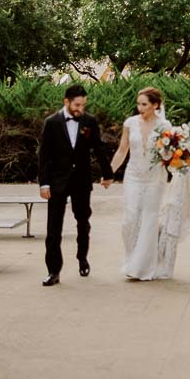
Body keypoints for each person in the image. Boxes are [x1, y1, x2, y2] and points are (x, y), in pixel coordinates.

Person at [37, 83, 114, 287]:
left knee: (83, 221)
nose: (81, 108)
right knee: (53, 227)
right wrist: (43, 184)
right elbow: (44, 156)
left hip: (81, 180)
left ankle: (82, 257)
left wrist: (108, 174)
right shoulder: (51, 122)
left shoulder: (89, 121)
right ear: (67, 102)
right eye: (77, 104)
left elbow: (98, 148)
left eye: (83, 104)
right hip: (56, 182)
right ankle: (53, 270)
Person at [108, 86, 173, 280]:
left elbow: (169, 155)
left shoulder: (165, 126)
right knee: (130, 218)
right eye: (138, 104)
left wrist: (174, 154)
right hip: (133, 176)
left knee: (149, 220)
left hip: (155, 178)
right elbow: (122, 150)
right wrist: (108, 172)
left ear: (155, 105)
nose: (140, 108)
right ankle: (131, 259)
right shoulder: (130, 123)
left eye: (144, 104)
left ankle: (144, 266)